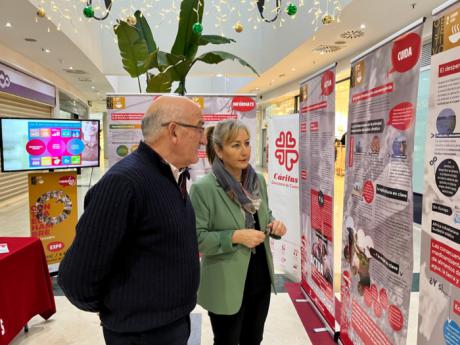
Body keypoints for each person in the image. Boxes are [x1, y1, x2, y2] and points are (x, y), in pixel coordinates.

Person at [58, 95, 207, 345]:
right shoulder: (124, 183)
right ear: (174, 131)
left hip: (171, 324)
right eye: (199, 128)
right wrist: (120, 309)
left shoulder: (170, 175)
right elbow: (77, 277)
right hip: (140, 334)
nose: (204, 139)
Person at [190, 119, 287, 345]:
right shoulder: (204, 188)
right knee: (227, 341)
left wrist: (274, 225)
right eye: (235, 145)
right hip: (226, 281)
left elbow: (264, 215)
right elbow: (196, 238)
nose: (244, 151)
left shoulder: (257, 181)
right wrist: (234, 236)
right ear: (219, 151)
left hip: (259, 276)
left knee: (254, 339)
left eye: (246, 143)